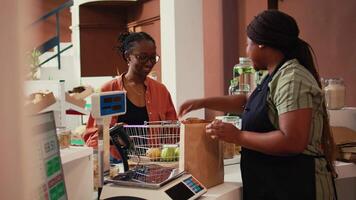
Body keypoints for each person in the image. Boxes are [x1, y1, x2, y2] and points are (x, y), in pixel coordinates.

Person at [179, 10, 337, 200]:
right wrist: (202, 102)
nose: (246, 50)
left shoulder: (292, 78)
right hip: (275, 184)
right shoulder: (274, 74)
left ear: (261, 44)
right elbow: (248, 102)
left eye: (248, 44)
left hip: (297, 186)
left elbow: (292, 141)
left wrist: (237, 136)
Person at [83, 32, 178, 159]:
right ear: (128, 57)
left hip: (153, 164)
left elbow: (173, 131)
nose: (149, 63)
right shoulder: (108, 90)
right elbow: (91, 139)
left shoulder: (160, 91)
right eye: (142, 57)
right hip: (117, 165)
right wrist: (112, 136)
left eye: (153, 58)